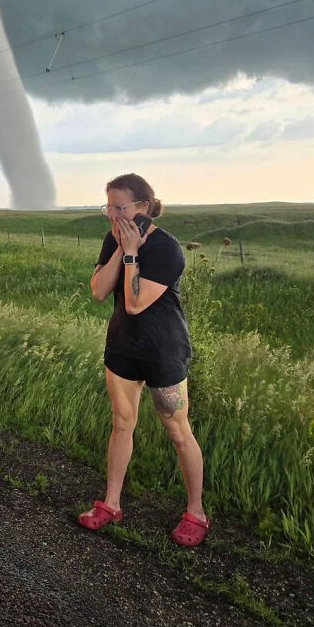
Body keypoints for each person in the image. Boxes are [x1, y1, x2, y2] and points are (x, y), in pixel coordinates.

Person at [78, 174, 209, 546]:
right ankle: (111, 503)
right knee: (122, 423)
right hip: (122, 348)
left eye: (120, 207)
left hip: (163, 353)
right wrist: (121, 247)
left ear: (144, 208)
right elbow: (100, 291)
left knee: (178, 432)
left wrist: (133, 252)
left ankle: (196, 512)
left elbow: (136, 303)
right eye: (109, 208)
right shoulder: (113, 239)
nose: (113, 216)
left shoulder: (167, 249)